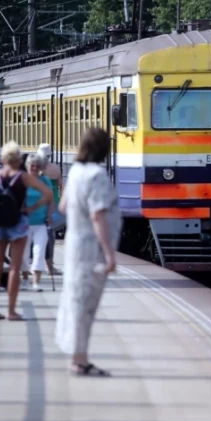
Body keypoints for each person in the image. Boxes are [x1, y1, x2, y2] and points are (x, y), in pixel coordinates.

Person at [56, 127, 121, 376]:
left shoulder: (75, 172)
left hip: (75, 246)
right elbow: (98, 216)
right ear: (105, 149)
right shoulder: (96, 175)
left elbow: (63, 207)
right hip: (91, 250)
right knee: (85, 305)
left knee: (75, 301)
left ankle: (78, 356)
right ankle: (79, 360)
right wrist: (109, 254)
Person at [0, 141, 52, 321]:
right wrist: (33, 207)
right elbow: (48, 193)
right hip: (18, 223)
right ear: (18, 159)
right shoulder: (23, 177)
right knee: (15, 268)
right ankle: (11, 311)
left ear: (3, 158)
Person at [20, 153, 54, 292]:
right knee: (23, 253)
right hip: (24, 222)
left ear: (40, 168)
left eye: (37, 166)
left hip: (41, 223)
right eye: (32, 165)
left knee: (39, 251)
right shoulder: (22, 180)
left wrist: (49, 215)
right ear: (27, 166)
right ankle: (25, 279)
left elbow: (51, 201)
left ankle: (36, 282)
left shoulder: (45, 181)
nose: (34, 168)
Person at [37, 144, 63, 277]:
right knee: (50, 238)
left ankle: (35, 265)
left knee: (35, 237)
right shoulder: (55, 169)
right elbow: (60, 186)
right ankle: (50, 267)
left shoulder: (36, 169)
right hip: (53, 205)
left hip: (38, 205)